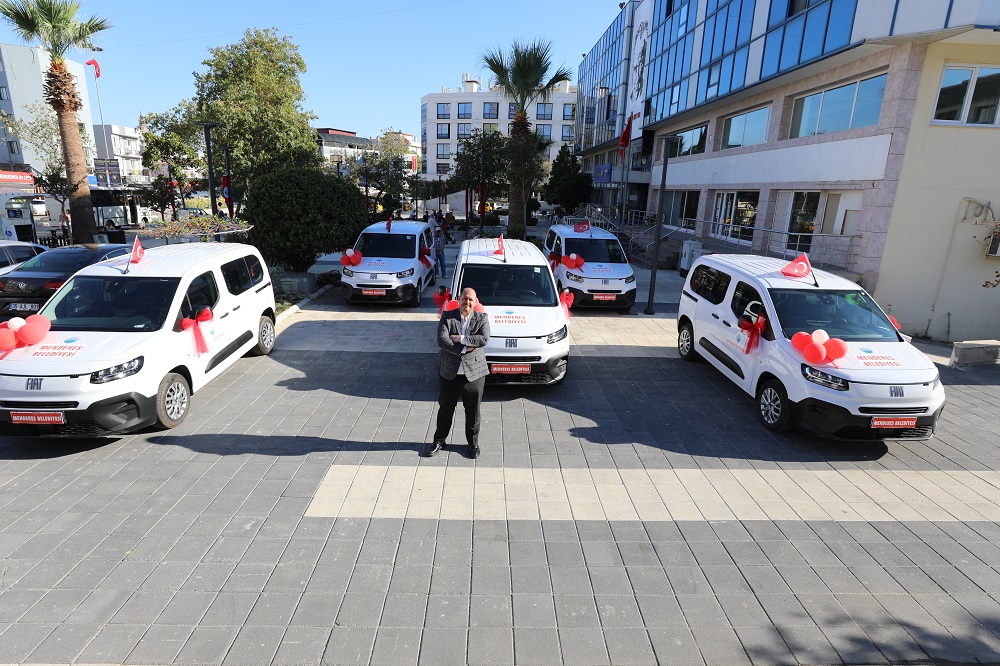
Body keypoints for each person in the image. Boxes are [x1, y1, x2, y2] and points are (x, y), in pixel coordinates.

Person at [425, 287, 490, 459]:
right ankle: (439, 441)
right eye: (464, 298)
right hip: (449, 372)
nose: (467, 302)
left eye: (470, 299)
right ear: (459, 299)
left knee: (473, 412)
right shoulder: (447, 316)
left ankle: (473, 444)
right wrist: (464, 348)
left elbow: (483, 339)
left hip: (474, 374)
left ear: (476, 302)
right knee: (445, 410)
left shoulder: (482, 318)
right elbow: (442, 340)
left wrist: (460, 338)